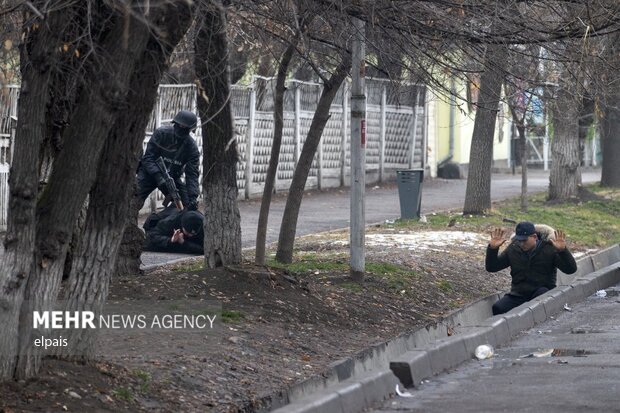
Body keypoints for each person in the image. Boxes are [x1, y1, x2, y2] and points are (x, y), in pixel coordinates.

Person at [486, 221, 577, 315]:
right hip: (519, 294)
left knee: (541, 297)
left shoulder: (548, 249)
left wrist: (563, 251)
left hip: (542, 292)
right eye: (519, 240)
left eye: (524, 240)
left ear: (534, 237)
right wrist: (492, 249)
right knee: (498, 308)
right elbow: (492, 267)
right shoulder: (513, 248)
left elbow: (570, 269)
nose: (521, 243)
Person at [137, 110, 201, 210]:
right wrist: (158, 176)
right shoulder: (161, 133)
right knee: (134, 199)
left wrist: (193, 197)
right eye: (180, 125)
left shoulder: (191, 147)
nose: (181, 129)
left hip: (171, 178)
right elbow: (148, 158)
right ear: (175, 124)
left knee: (187, 206)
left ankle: (160, 223)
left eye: (185, 127)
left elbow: (192, 174)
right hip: (149, 174)